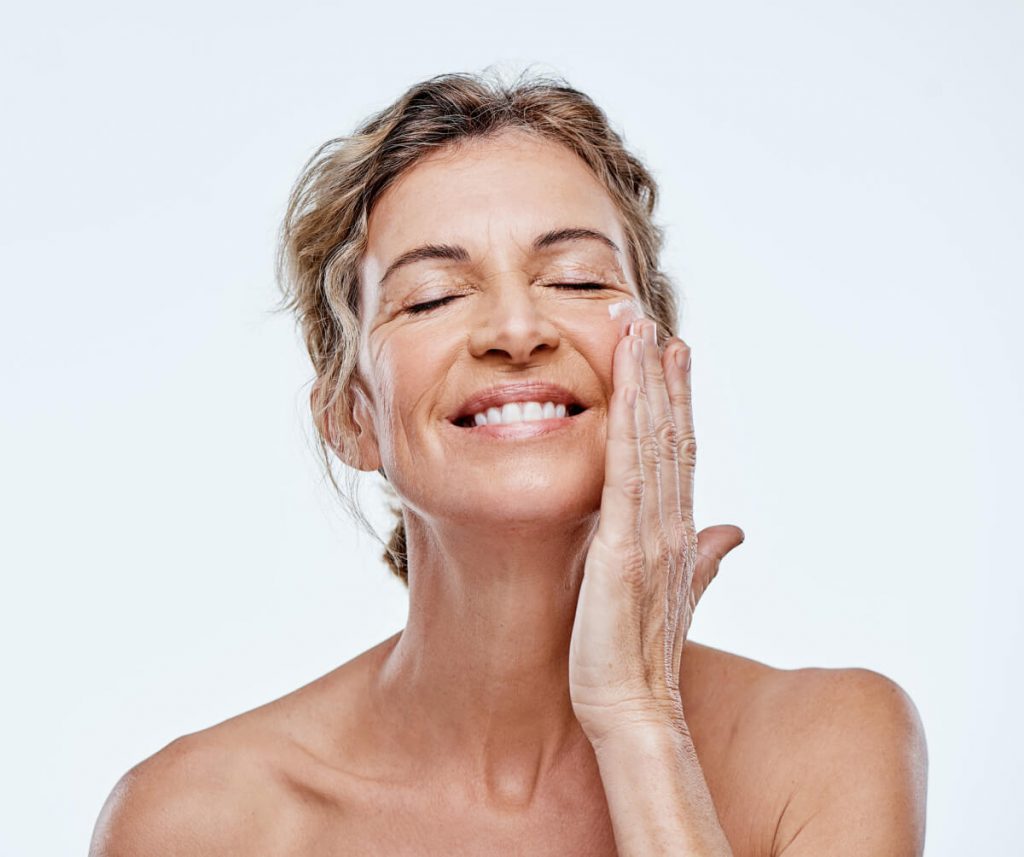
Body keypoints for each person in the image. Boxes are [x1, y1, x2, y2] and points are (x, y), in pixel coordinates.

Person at [90, 71, 928, 856]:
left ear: (662, 359)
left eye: (575, 279)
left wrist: (639, 719)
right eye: (433, 297)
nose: (517, 329)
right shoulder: (197, 820)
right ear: (353, 417)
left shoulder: (830, 744)